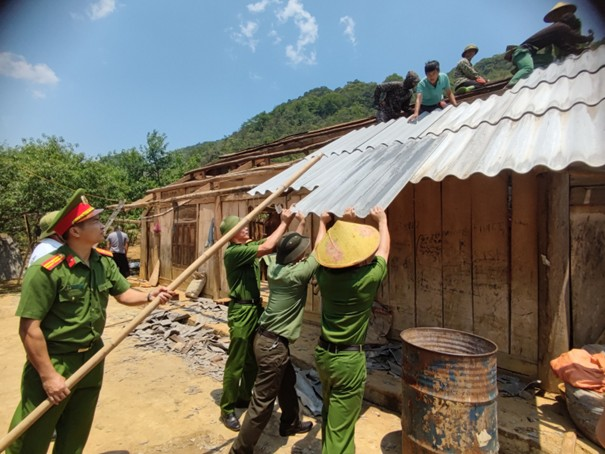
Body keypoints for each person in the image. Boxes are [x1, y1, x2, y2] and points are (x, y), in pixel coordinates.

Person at [6, 188, 174, 454]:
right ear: (75, 231)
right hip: (56, 360)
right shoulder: (47, 270)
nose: (101, 225)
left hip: (93, 357)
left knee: (75, 434)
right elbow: (29, 329)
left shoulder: (102, 262)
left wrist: (149, 294)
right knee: (31, 438)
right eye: (94, 221)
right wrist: (49, 376)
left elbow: (123, 293)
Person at [230, 211, 330, 453]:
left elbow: (294, 247)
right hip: (273, 346)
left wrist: (302, 222)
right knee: (262, 403)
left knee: (287, 382)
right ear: (298, 258)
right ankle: (240, 450)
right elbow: (319, 249)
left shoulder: (274, 266)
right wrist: (324, 223)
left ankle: (290, 423)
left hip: (265, 338)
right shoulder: (298, 275)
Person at [314, 206, 390, 454]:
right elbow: (384, 251)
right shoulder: (366, 280)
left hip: (324, 354)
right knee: (342, 430)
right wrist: (383, 221)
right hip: (348, 361)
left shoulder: (325, 276)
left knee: (330, 412)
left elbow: (318, 252)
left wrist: (324, 224)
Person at [218, 208, 296, 431]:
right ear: (231, 235)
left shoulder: (247, 247)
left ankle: (244, 397)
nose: (246, 227)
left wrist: (286, 223)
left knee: (253, 358)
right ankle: (227, 408)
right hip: (241, 312)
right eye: (240, 226)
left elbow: (273, 241)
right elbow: (267, 246)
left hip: (254, 309)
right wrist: (284, 221)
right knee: (236, 361)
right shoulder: (233, 252)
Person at [505, 11, 593, 87]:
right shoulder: (562, 27)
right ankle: (512, 83)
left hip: (528, 54)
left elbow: (564, 46)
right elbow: (575, 37)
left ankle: (519, 70)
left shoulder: (556, 29)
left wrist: (578, 51)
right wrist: (588, 38)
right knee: (528, 68)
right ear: (570, 22)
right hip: (522, 52)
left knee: (548, 60)